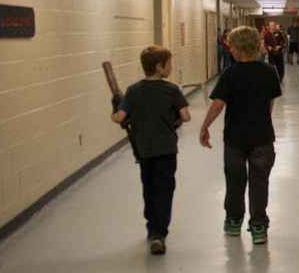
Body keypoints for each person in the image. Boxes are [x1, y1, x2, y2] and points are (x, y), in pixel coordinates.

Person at [198, 26, 281, 245]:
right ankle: (259, 227)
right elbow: (270, 102)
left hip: (235, 138)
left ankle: (234, 221)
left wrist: (205, 126)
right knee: (259, 183)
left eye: (231, 46)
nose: (230, 49)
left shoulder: (230, 73)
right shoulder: (269, 71)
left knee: (235, 181)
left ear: (238, 48)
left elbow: (218, 104)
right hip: (262, 137)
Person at [110, 45, 191, 255]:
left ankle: (151, 226)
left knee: (149, 187)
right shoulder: (172, 90)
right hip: (166, 150)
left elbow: (118, 118)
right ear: (158, 67)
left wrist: (116, 105)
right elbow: (185, 116)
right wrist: (172, 120)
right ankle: (159, 233)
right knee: (165, 189)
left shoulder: (133, 90)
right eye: (169, 64)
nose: (171, 68)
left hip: (144, 150)